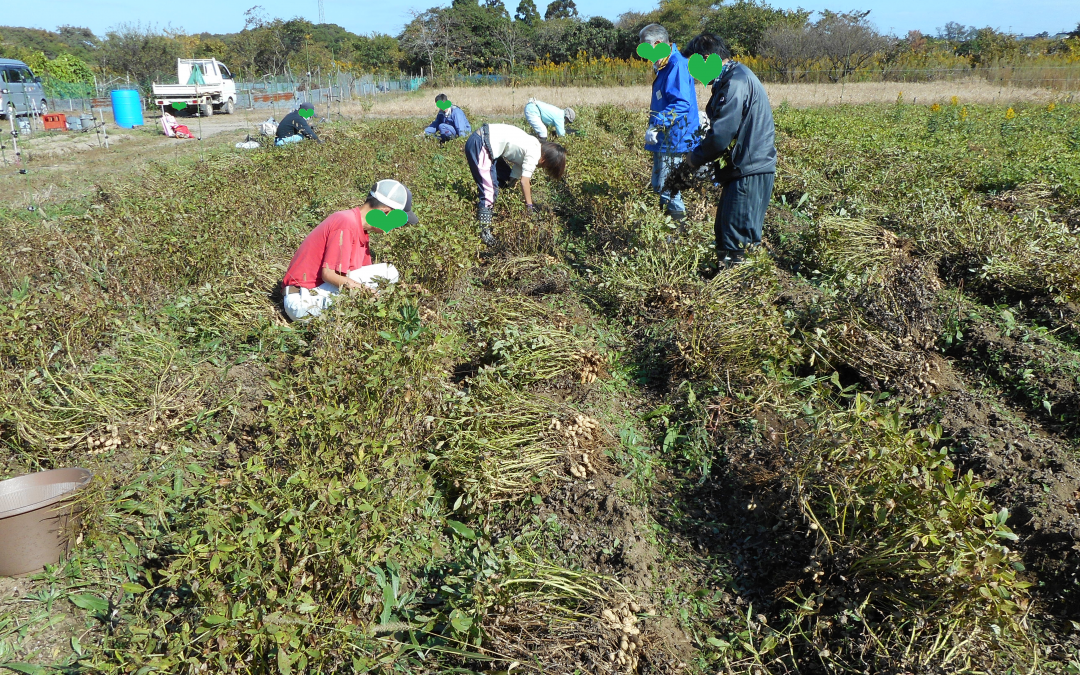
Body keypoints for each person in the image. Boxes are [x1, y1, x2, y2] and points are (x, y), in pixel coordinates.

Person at [681, 33, 776, 267]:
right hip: (743, 167)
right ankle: (730, 285)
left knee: (737, 241)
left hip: (749, 169)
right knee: (726, 231)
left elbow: (722, 135)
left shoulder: (736, 82)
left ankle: (739, 293)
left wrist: (694, 158)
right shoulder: (733, 77)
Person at [281, 179, 418, 321]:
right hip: (303, 301)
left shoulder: (361, 233)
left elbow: (360, 279)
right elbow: (328, 274)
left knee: (380, 286)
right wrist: (367, 292)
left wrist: (406, 289)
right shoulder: (346, 222)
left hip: (317, 295)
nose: (394, 228)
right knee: (389, 272)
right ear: (385, 212)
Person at [464, 123, 567, 246]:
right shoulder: (534, 153)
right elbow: (525, 181)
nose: (542, 168)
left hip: (485, 142)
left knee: (504, 180)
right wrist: (529, 206)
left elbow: (514, 176)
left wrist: (510, 188)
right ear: (545, 159)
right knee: (489, 191)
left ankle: (493, 213)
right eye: (546, 166)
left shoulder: (532, 143)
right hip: (481, 144)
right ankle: (484, 232)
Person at [641, 23, 699, 225]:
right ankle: (666, 227)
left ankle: (678, 231)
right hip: (666, 137)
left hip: (675, 137)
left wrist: (657, 124)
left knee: (668, 187)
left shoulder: (676, 65)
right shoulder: (664, 65)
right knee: (659, 184)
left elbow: (681, 104)